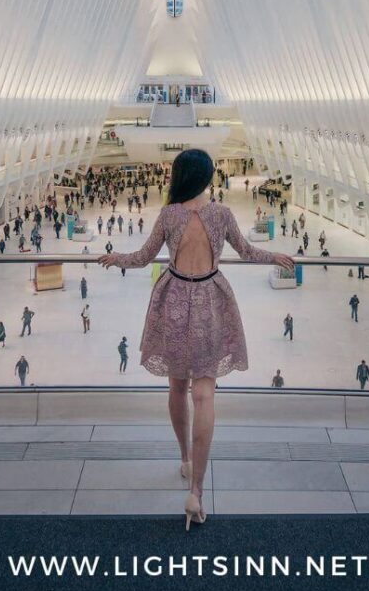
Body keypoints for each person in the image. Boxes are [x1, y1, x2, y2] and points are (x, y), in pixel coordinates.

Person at [98, 148, 294, 529]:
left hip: (173, 298)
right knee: (204, 394)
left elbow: (142, 258)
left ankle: (185, 459)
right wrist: (276, 258)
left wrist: (114, 258)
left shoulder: (169, 214)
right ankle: (197, 492)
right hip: (209, 299)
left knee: (176, 386)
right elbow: (248, 251)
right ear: (206, 177)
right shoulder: (221, 213)